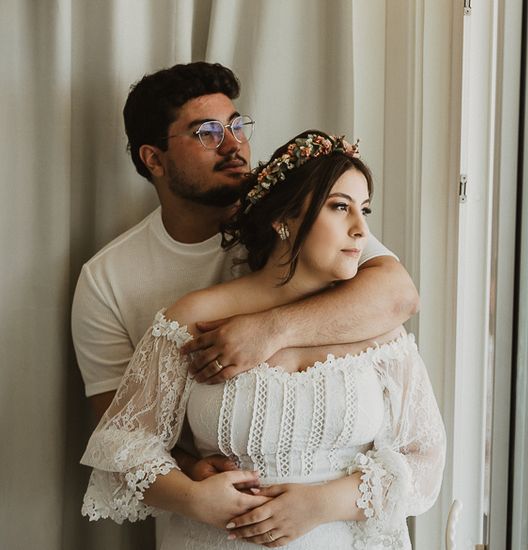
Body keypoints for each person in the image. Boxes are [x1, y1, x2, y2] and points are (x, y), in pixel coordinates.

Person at [80, 130, 446, 549]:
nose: (361, 230)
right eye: (340, 207)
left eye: (364, 210)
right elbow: (120, 446)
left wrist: (322, 503)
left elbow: (425, 460)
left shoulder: (379, 325)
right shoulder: (193, 320)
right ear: (283, 219)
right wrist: (194, 498)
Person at [72, 62, 419, 492]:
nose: (234, 145)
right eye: (208, 133)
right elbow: (118, 427)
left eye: (237, 127)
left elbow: (397, 296)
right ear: (153, 159)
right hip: (212, 509)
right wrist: (189, 470)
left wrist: (271, 330)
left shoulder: (300, 226)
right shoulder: (107, 279)